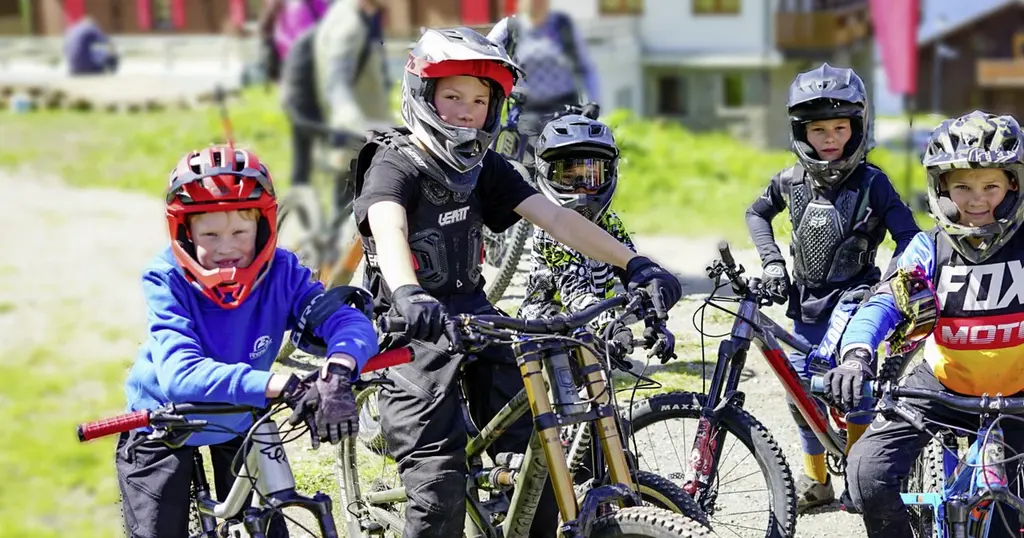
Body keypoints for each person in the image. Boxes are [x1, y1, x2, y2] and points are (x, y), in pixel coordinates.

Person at [350, 27, 682, 538]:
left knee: (538, 456)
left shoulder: (485, 167)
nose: (467, 110)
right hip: (410, 326)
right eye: (453, 96)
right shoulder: (397, 163)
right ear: (423, 95)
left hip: (476, 316)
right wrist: (407, 290)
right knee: (438, 486)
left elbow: (558, 219)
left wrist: (635, 264)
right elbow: (387, 223)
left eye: (480, 100)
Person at [114, 145, 378, 538]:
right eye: (210, 234)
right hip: (163, 421)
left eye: (240, 231)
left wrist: (338, 373)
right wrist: (283, 385)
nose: (226, 247)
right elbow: (181, 375)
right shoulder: (165, 277)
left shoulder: (282, 271)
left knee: (270, 525)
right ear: (184, 232)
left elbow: (344, 321)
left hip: (241, 416)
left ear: (264, 227)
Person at [833, 110, 1024, 538]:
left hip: (1018, 393)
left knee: (1004, 519)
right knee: (866, 473)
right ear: (941, 188)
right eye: (961, 187)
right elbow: (882, 303)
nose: (976, 201)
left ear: (1014, 184)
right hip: (941, 385)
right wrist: (856, 354)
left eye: (990, 186)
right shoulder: (926, 247)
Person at [745, 62, 920, 512]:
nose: (829, 138)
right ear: (801, 131)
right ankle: (817, 481)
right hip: (804, 308)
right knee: (801, 398)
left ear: (858, 126)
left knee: (855, 394)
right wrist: (771, 263)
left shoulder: (874, 182)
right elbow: (756, 213)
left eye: (840, 127)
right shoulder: (789, 181)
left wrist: (891, 284)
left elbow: (911, 238)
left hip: (855, 307)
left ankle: (859, 480)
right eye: (818, 128)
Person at [517, 114, 637, 355]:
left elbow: (631, 269)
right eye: (569, 177)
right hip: (544, 338)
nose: (582, 188)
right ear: (546, 172)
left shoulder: (610, 223)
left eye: (592, 177)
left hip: (591, 335)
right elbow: (575, 292)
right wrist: (613, 326)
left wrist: (656, 317)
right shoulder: (550, 231)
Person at [279, 0, 391, 224]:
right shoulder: (349, 24)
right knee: (349, 218)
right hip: (356, 134)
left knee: (350, 210)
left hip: (365, 131)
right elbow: (336, 84)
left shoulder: (360, 18)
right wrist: (359, 125)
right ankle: (331, 253)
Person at [486, 0, 600, 113]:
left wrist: (593, 103)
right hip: (526, 110)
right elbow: (485, 54)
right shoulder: (509, 27)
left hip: (566, 108)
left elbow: (586, 67)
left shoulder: (564, 26)